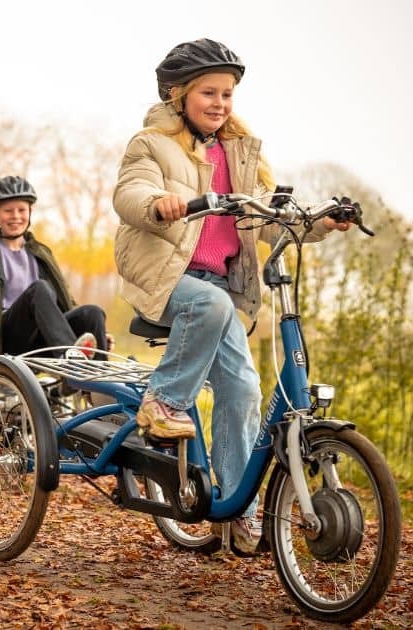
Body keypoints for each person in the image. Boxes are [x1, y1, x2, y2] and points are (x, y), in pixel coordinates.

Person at [113, 39, 354, 554]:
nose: (220, 103)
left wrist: (320, 220)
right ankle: (163, 401)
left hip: (222, 285)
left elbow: (270, 210)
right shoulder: (151, 145)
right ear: (179, 95)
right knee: (210, 303)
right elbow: (130, 194)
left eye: (227, 94)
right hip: (166, 272)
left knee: (244, 391)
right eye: (209, 92)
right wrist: (162, 203)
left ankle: (235, 513)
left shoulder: (241, 153)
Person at [0, 175, 112, 373]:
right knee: (39, 289)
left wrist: (94, 336)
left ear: (30, 211)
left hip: (44, 339)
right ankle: (70, 363)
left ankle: (98, 383)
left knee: (93, 313)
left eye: (21, 210)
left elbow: (66, 301)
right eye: (8, 211)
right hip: (6, 339)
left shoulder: (41, 253)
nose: (16, 216)